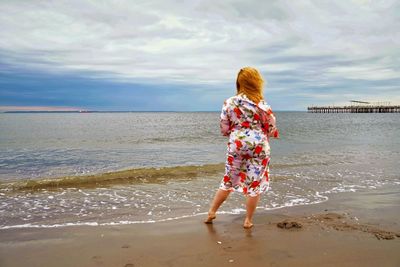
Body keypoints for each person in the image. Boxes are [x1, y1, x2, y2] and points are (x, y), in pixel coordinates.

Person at [204, 67, 279, 229]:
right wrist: (266, 132)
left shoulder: (229, 102)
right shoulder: (262, 104)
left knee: (228, 179)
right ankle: (248, 221)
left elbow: (224, 126)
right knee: (254, 183)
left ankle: (211, 213)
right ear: (256, 82)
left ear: (239, 83)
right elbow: (272, 126)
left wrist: (235, 133)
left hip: (237, 145)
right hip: (259, 146)